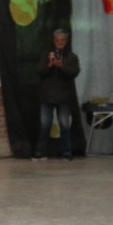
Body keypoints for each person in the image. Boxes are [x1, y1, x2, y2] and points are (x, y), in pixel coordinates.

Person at [32, 29, 80, 161]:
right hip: (47, 96)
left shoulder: (71, 57)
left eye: (62, 40)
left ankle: (66, 152)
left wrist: (61, 66)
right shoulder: (46, 55)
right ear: (54, 41)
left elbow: (74, 72)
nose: (60, 42)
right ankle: (40, 152)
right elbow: (38, 71)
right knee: (44, 125)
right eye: (58, 40)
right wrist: (49, 64)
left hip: (64, 97)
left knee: (64, 125)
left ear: (66, 41)